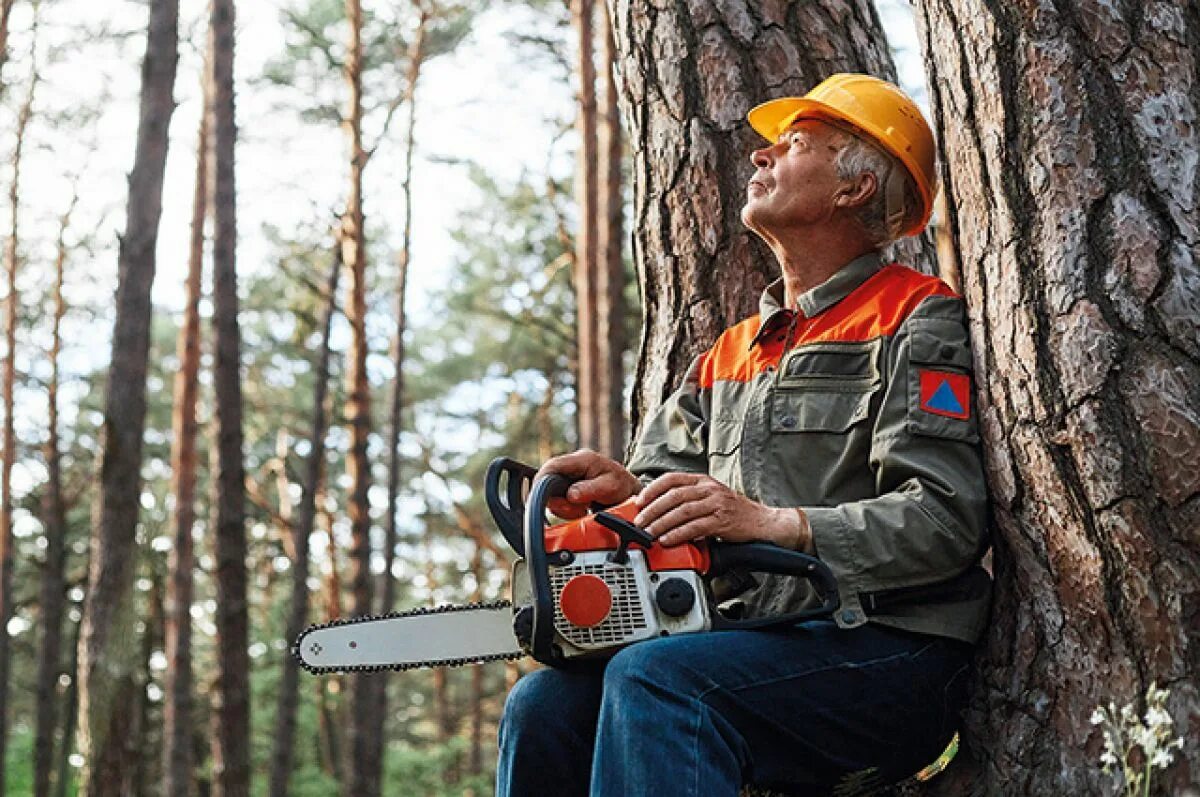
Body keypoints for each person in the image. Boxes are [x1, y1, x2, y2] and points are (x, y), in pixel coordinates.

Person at [496, 73, 991, 797]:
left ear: (854, 188)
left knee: (660, 681)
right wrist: (623, 496)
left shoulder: (917, 319)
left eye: (793, 146)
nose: (760, 157)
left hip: (889, 648)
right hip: (749, 643)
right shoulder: (729, 354)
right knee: (544, 704)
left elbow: (945, 519)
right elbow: (655, 495)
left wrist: (778, 525)